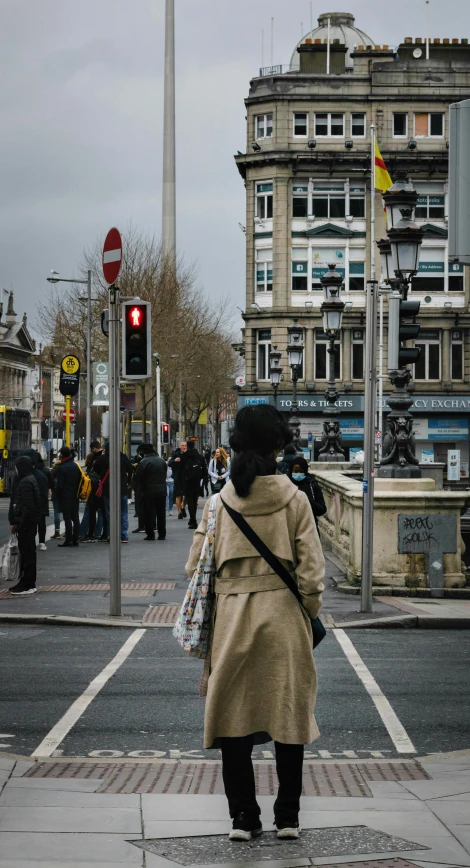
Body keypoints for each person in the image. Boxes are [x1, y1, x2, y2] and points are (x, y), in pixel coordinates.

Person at [185, 405, 325, 841]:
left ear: (238, 444)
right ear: (278, 445)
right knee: (289, 717)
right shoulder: (296, 498)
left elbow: (195, 566)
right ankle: (288, 818)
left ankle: (243, 818)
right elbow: (313, 573)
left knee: (232, 719)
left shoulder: (218, 503)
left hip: (232, 618)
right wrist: (308, 610)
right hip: (283, 616)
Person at [8, 455, 42, 595]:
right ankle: (26, 582)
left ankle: (27, 584)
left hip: (26, 525)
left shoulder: (25, 482)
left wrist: (19, 523)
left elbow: (28, 506)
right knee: (28, 554)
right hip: (30, 523)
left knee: (27, 555)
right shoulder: (31, 479)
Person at [93, 443, 133, 543]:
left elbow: (95, 468)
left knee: (110, 514)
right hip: (122, 488)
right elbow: (130, 469)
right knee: (123, 513)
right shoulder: (122, 456)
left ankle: (112, 536)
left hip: (108, 489)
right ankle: (124, 536)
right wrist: (127, 481)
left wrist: (102, 475)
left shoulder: (103, 458)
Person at [133, 444, 167, 540]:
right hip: (161, 490)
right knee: (161, 513)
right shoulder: (161, 461)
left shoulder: (144, 462)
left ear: (144, 452)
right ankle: (162, 533)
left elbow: (138, 476)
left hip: (148, 491)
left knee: (148, 512)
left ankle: (150, 533)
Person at [288, 456, 327, 529]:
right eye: (296, 471)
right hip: (289, 529)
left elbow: (322, 510)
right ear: (291, 471)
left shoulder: (312, 485)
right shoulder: (286, 485)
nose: (298, 474)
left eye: (301, 471)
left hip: (309, 529)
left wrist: (307, 499)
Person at [55, 446, 82, 547]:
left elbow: (60, 485)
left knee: (67, 518)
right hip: (75, 495)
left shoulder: (62, 468)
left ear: (62, 455)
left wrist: (58, 496)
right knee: (75, 517)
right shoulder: (76, 466)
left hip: (65, 496)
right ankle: (76, 539)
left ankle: (69, 540)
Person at [180, 440, 208, 529]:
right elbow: (205, 470)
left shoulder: (184, 456)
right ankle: (193, 519)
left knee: (189, 501)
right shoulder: (200, 457)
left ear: (187, 446)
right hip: (197, 482)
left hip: (187, 482)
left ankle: (193, 520)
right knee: (194, 500)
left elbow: (181, 470)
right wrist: (203, 480)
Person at [81, 440, 106, 542]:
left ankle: (91, 533)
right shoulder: (105, 457)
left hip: (95, 488)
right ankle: (100, 533)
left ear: (94, 449)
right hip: (103, 488)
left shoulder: (97, 459)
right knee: (102, 512)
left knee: (92, 512)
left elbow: (93, 474)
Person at [169, 441, 187, 519]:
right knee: (178, 495)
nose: (184, 447)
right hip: (178, 477)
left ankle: (183, 506)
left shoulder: (188, 455)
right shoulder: (176, 454)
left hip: (186, 478)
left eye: (185, 446)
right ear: (180, 446)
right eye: (182, 445)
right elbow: (169, 463)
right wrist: (174, 461)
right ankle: (179, 512)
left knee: (186, 495)